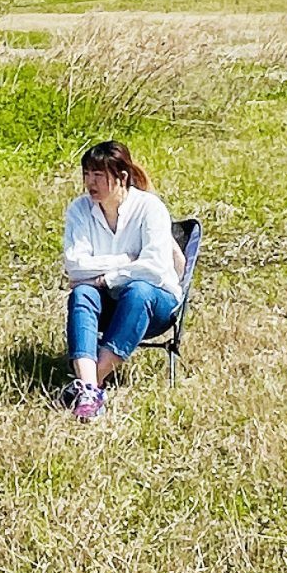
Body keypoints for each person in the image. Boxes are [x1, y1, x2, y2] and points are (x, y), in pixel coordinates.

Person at [60, 138, 183, 422]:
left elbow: (154, 268)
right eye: (87, 175)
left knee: (139, 291)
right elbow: (75, 266)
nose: (91, 183)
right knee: (81, 295)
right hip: (109, 305)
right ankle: (91, 390)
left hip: (156, 304)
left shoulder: (150, 208)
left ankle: (90, 382)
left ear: (122, 177)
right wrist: (127, 261)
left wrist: (105, 279)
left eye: (99, 175)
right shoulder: (79, 210)